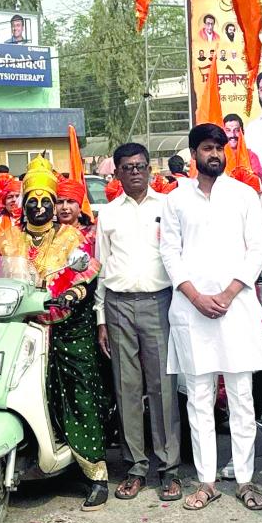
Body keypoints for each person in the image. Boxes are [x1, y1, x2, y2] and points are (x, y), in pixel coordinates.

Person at [0, 156, 109, 510]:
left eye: (45, 201)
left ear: (54, 206)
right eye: (32, 201)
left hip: (67, 329)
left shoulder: (73, 239)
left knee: (78, 393)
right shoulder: (7, 239)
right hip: (21, 329)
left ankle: (94, 473)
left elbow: (86, 275)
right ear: (22, 205)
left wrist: (72, 293)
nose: (39, 207)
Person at [160, 124, 262, 511]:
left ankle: (244, 479)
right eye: (207, 148)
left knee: (242, 398)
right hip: (192, 312)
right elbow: (170, 253)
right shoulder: (175, 200)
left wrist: (226, 293)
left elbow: (258, 248)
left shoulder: (243, 195)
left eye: (220, 149)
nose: (215, 155)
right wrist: (194, 295)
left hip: (235, 309)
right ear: (194, 154)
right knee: (199, 399)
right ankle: (206, 480)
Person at [95, 143, 184, 502]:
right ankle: (135, 467)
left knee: (163, 387)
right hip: (117, 305)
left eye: (140, 166)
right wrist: (101, 317)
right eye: (127, 167)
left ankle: (169, 468)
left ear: (150, 169)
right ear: (116, 173)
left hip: (158, 303)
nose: (135, 172)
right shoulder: (108, 214)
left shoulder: (167, 207)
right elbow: (101, 268)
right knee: (126, 388)